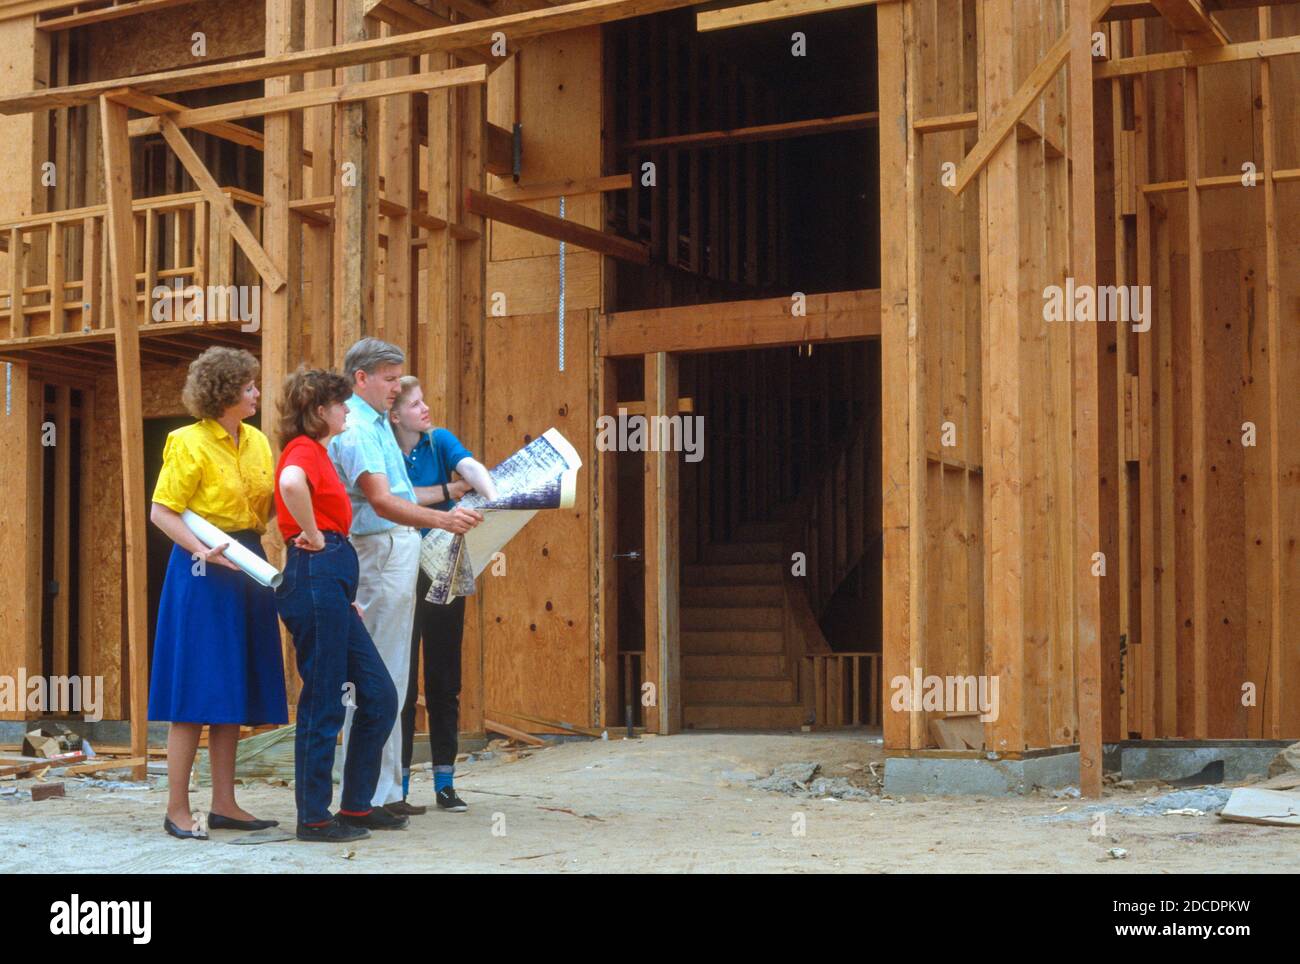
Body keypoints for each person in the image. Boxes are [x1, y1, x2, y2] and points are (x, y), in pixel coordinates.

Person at [328, 338, 483, 816]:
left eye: (399, 379)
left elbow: (401, 493)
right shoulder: (356, 427)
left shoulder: (377, 425)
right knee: (374, 677)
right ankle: (364, 794)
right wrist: (442, 519)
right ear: (362, 378)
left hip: (397, 546)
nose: (397, 387)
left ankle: (388, 790)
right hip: (377, 549)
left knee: (393, 675)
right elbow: (379, 499)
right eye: (391, 379)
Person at [148, 346, 287, 840]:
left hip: (247, 562)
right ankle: (176, 810)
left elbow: (265, 510)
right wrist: (202, 551)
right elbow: (163, 511)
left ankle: (225, 803)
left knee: (234, 688)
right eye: (249, 386)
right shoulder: (185, 442)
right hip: (202, 566)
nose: (255, 393)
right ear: (226, 392)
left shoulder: (258, 443)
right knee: (194, 691)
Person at [273, 367, 401, 841]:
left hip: (331, 587)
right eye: (341, 403)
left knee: (380, 695)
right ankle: (313, 818)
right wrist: (310, 534)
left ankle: (356, 807)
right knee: (323, 697)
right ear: (319, 410)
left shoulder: (321, 453)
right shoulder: (303, 450)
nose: (348, 409)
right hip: (315, 576)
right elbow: (289, 484)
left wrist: (344, 598)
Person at [387, 376, 497, 815]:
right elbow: (398, 498)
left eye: (423, 401)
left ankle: (446, 783)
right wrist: (451, 493)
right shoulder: (384, 447)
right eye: (414, 405)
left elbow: (469, 466)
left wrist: (492, 495)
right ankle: (399, 786)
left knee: (444, 678)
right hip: (400, 569)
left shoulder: (439, 440)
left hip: (445, 567)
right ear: (395, 416)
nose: (425, 409)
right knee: (402, 679)